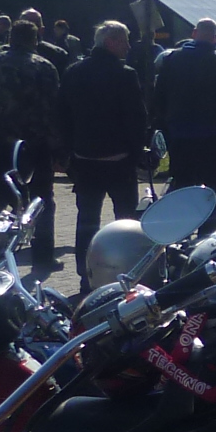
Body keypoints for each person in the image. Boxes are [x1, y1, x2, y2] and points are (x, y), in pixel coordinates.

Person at [57, 22, 149, 282]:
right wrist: (137, 153)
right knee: (126, 222)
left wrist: (67, 151)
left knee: (87, 221)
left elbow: (62, 115)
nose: (128, 46)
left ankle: (86, 274)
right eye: (125, 40)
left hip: (85, 159)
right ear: (111, 42)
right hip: (119, 160)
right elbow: (136, 118)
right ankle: (129, 273)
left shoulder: (74, 72)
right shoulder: (125, 74)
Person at [0, 15, 61, 263]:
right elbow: (54, 108)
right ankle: (43, 254)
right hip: (36, 143)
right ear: (35, 39)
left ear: (10, 37)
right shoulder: (44, 67)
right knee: (41, 199)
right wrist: (57, 146)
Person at [153, 16, 216, 224]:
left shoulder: (171, 59)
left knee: (182, 185)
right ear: (215, 38)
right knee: (213, 188)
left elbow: (159, 95)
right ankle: (209, 228)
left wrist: (163, 125)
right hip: (212, 135)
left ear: (194, 34)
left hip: (179, 134)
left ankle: (181, 228)